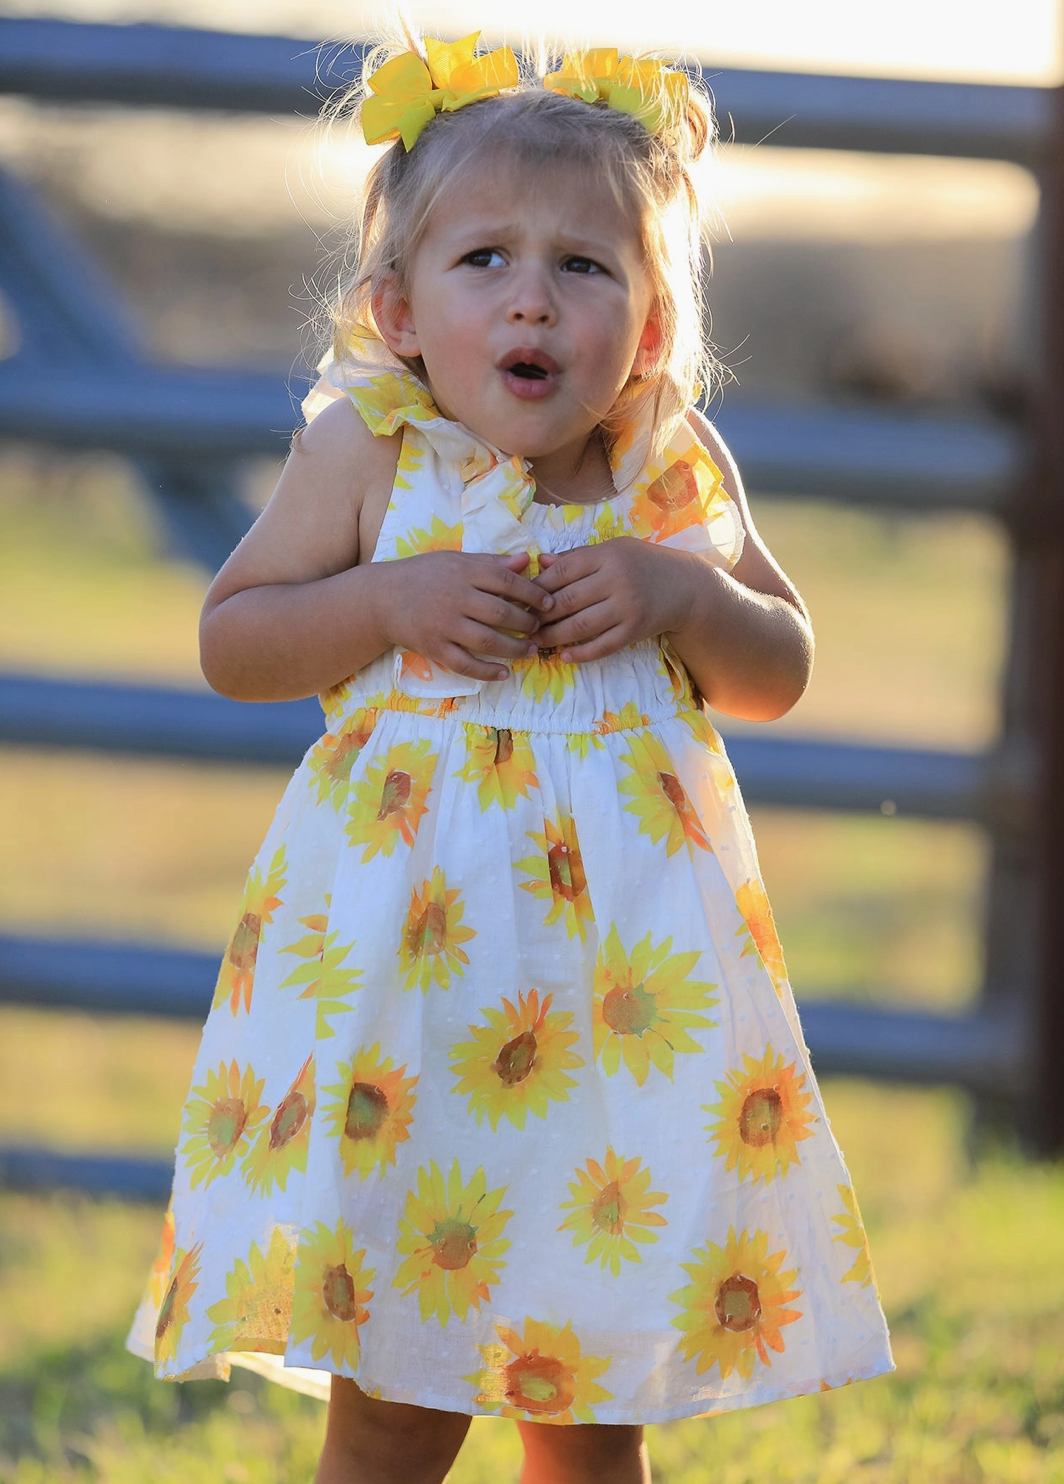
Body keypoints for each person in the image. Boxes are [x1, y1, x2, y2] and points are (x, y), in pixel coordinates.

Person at [127, 32, 892, 1484]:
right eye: (485, 260)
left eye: (586, 266)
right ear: (399, 308)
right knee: (397, 1392)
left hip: (615, 1015)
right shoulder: (369, 452)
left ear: (652, 327)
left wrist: (682, 596)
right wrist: (383, 604)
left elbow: (779, 667)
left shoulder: (668, 467)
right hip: (408, 1008)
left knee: (590, 1400)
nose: (534, 295)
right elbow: (236, 641)